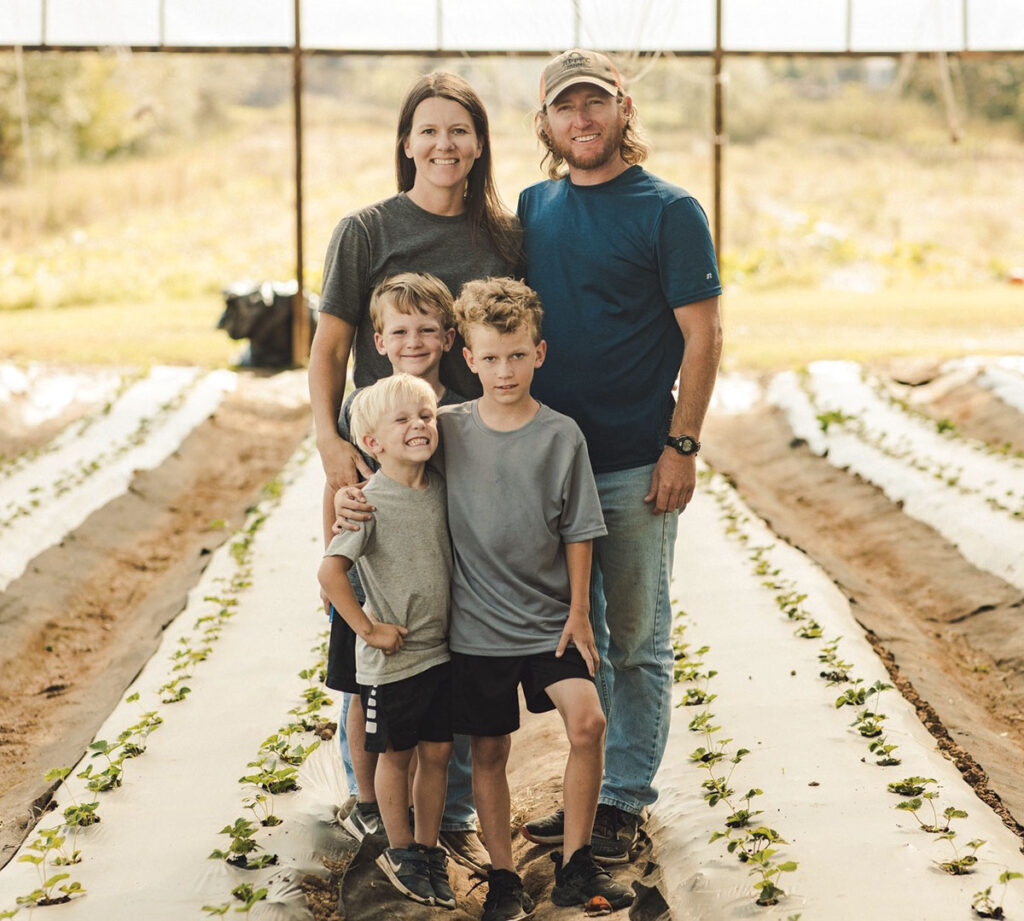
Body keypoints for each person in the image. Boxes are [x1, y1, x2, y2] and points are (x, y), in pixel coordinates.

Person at [333, 279, 636, 917]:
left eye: (518, 355)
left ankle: (576, 863)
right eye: (491, 358)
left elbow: (580, 530)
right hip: (476, 629)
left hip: (551, 619)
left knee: (588, 722)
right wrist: (348, 498)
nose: (504, 370)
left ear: (540, 354)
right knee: (490, 751)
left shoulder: (561, 436)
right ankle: (502, 875)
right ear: (467, 359)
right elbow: (393, 464)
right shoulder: (446, 429)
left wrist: (580, 611)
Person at [308, 70, 521, 872]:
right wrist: (331, 445)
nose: (444, 144)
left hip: (457, 460)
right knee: (368, 628)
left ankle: (451, 809)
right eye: (428, 130)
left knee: (449, 629)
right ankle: (373, 805)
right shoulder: (366, 230)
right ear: (406, 142)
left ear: (479, 143)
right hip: (376, 459)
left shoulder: (501, 236)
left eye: (459, 130)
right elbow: (329, 349)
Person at [517, 49, 724, 863]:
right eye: (565, 108)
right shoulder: (534, 207)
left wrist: (682, 444)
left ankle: (625, 799)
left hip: (638, 460)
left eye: (594, 104)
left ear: (623, 106)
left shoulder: (669, 210)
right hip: (554, 473)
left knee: (637, 640)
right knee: (580, 636)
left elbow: (703, 334)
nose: (582, 120)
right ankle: (587, 796)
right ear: (545, 121)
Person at [324, 272, 465, 846]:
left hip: (432, 588)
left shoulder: (453, 412)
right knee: (363, 694)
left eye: (427, 330)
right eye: (399, 331)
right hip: (370, 579)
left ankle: (443, 824)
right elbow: (340, 485)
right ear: (378, 342)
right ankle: (371, 807)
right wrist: (337, 523)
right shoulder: (368, 411)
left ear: (449, 339)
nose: (414, 342)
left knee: (434, 729)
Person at [319, 373, 456, 909]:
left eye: (426, 417)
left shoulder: (441, 488)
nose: (419, 426)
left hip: (439, 651)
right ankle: (399, 850)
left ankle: (428, 847)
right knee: (396, 757)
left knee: (439, 752)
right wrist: (370, 630)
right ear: (371, 444)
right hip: (393, 661)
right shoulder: (366, 503)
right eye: (402, 420)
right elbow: (331, 574)